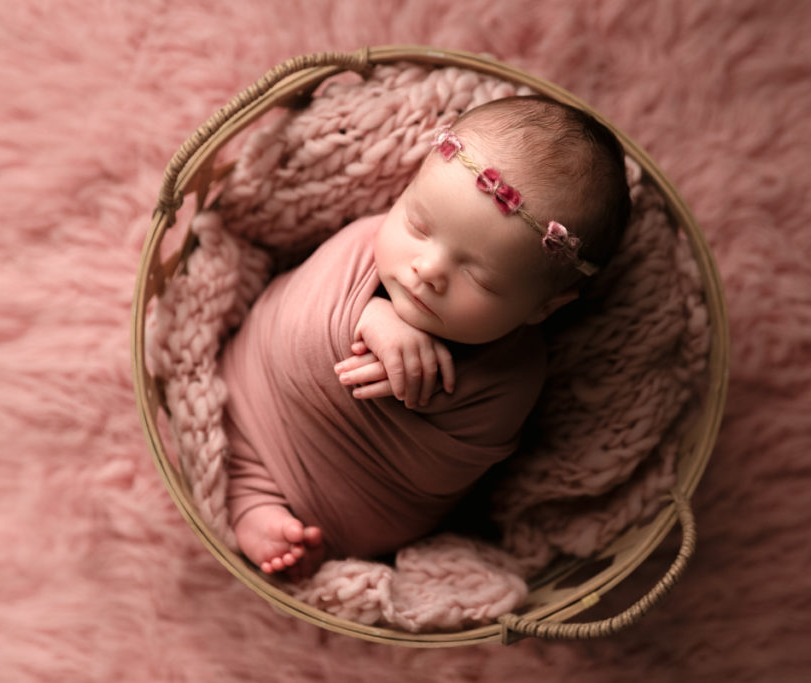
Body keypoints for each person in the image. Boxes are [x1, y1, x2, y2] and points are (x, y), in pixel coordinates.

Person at [218, 95, 632, 578]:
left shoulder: (515, 374)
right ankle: (251, 502)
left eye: (481, 278)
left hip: (357, 507)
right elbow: (291, 320)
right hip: (248, 400)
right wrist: (367, 316)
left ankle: (258, 515)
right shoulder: (360, 243)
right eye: (418, 224)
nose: (428, 269)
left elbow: (443, 470)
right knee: (238, 448)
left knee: (278, 512)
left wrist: (420, 386)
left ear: (542, 308)